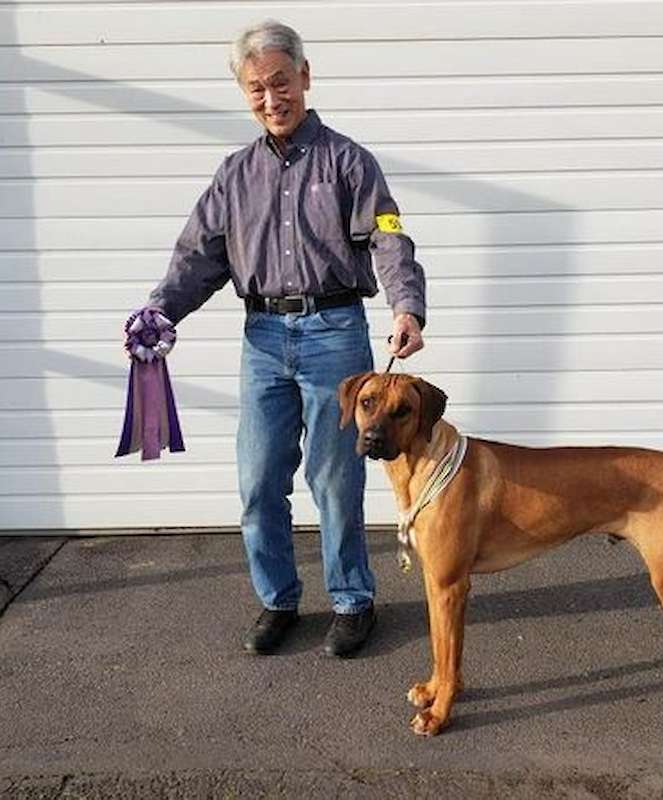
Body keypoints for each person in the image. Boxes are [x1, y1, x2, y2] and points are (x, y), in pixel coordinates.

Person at [144, 20, 426, 657]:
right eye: (256, 89)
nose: (271, 98)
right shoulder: (234, 175)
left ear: (304, 76)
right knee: (260, 479)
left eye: (280, 82)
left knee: (334, 479)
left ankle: (353, 600)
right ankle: (278, 600)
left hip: (336, 334)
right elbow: (198, 256)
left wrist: (406, 306)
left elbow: (389, 237)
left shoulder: (350, 162)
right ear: (245, 94)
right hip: (263, 338)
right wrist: (160, 312)